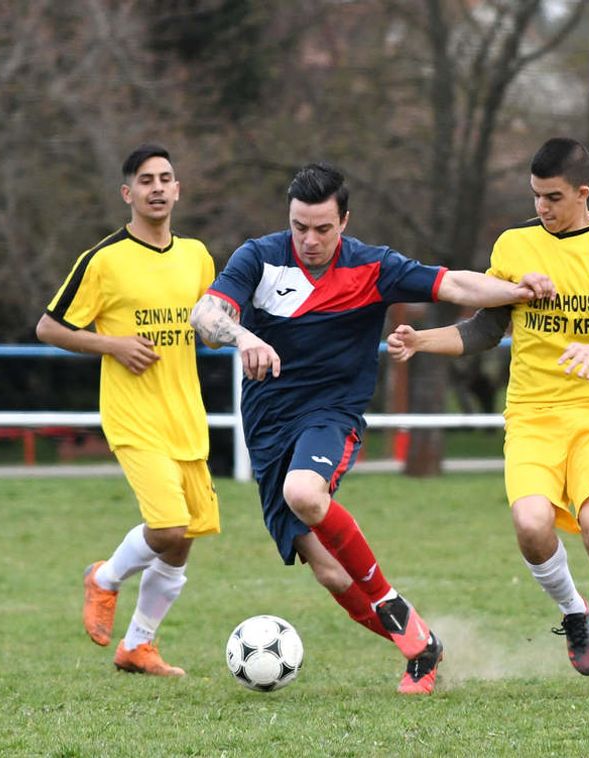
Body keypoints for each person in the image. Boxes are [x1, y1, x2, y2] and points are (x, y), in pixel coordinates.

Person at [189, 162, 554, 695]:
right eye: (299, 227)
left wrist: (516, 291)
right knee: (332, 574)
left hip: (330, 416)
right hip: (268, 431)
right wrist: (243, 337)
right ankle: (422, 646)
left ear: (345, 221)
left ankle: (389, 602)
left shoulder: (373, 267)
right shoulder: (259, 257)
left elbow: (452, 283)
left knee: (304, 492)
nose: (309, 240)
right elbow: (205, 314)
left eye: (322, 229)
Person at [386, 138, 589, 697]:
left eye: (554, 197)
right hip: (531, 415)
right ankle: (574, 612)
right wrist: (423, 340)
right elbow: (485, 329)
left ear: (583, 192)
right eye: (535, 196)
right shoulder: (514, 244)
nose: (542, 207)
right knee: (532, 526)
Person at [36, 143, 217, 677]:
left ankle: (138, 645)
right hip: (132, 416)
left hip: (186, 415)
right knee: (165, 528)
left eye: (165, 178)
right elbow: (49, 327)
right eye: (145, 180)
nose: (157, 188)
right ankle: (105, 577)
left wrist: (237, 337)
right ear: (127, 193)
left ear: (178, 189)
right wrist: (113, 344)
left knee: (181, 544)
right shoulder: (104, 259)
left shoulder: (198, 256)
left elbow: (209, 325)